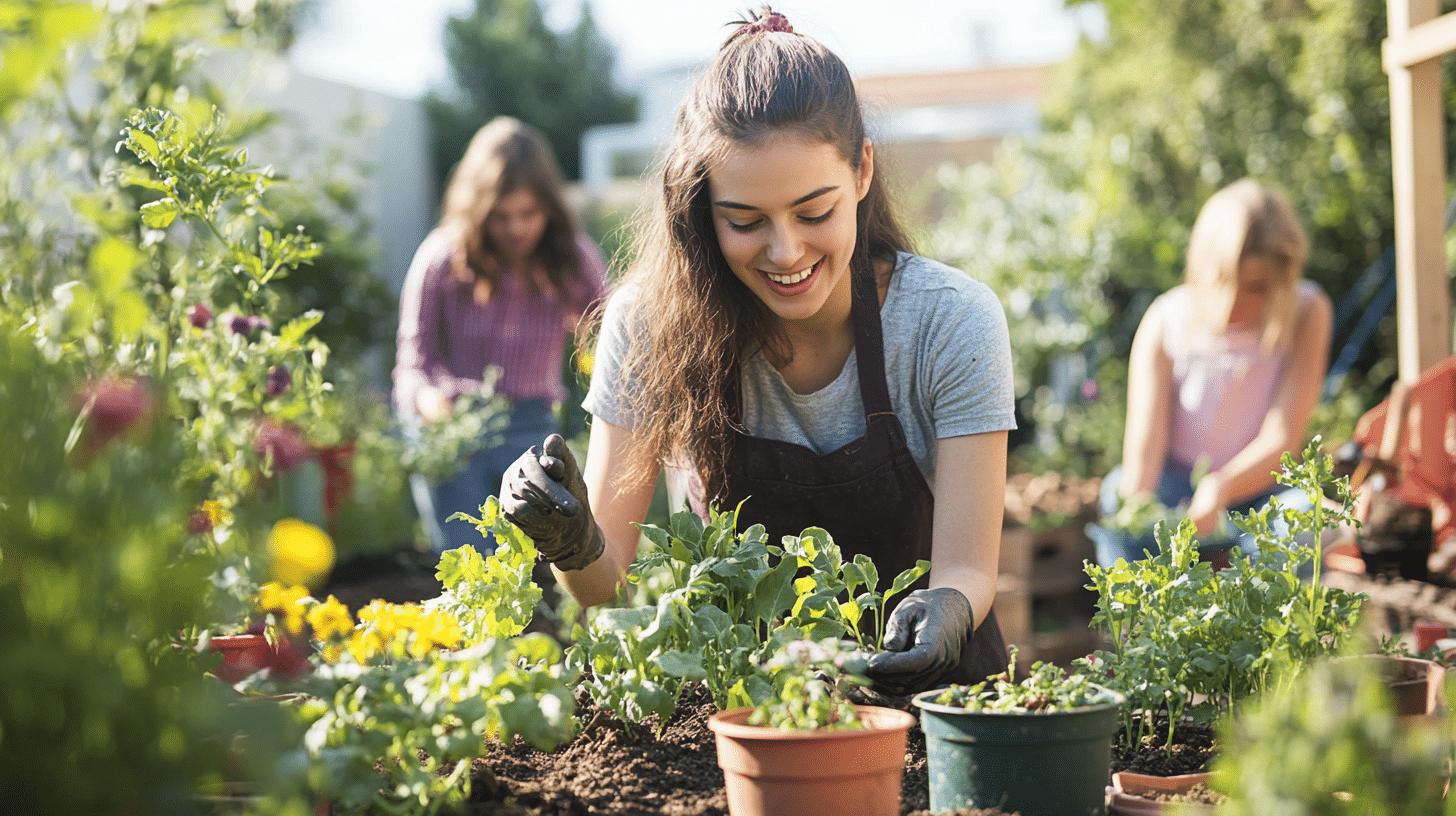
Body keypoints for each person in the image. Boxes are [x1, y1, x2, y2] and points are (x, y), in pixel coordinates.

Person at [499, 7, 1016, 695]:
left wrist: (947, 606)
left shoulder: (948, 322)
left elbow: (969, 570)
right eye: (745, 221)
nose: (785, 251)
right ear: (699, 209)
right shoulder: (652, 326)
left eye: (814, 212)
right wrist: (569, 539)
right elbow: (609, 588)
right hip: (751, 708)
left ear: (861, 171)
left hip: (934, 704)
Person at [1090, 178, 1333, 568]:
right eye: (1226, 282)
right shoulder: (1165, 319)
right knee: (1116, 490)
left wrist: (1220, 488)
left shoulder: (1306, 311)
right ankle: (1137, 626)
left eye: (1255, 286)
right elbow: (1145, 453)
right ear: (1203, 269)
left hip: (1262, 490)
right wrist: (1141, 518)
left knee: (1303, 520)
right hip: (1176, 487)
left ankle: (1264, 630)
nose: (1237, 300)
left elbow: (1282, 438)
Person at [393, 116, 607, 554]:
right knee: (470, 564)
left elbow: (612, 329)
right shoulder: (442, 258)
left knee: (540, 566)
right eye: (501, 217)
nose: (517, 229)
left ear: (550, 207)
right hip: (455, 425)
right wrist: (426, 399)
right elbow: (413, 361)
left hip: (532, 423)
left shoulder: (570, 257)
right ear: (477, 212)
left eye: (529, 214)